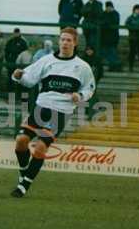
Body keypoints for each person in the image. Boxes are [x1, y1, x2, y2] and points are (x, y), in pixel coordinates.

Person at [11, 28, 95, 198]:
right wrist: (19, 76)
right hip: (41, 107)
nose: (65, 43)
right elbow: (29, 80)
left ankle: (24, 185)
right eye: (63, 39)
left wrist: (80, 95)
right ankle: (24, 172)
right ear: (59, 41)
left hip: (60, 112)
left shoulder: (82, 67)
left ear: (75, 43)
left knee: (40, 147)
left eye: (69, 40)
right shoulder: (46, 60)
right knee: (21, 141)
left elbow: (90, 88)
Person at [100, 1, 121, 71]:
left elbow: (113, 22)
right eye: (107, 7)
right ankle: (112, 66)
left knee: (112, 53)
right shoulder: (103, 14)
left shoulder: (115, 14)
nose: (108, 8)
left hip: (113, 38)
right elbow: (101, 22)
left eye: (109, 7)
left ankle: (115, 67)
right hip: (104, 38)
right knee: (107, 53)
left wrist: (106, 23)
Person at [125, 4, 139, 71]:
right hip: (133, 37)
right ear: (134, 10)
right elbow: (127, 24)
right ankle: (130, 66)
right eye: (137, 9)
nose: (138, 11)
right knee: (132, 52)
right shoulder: (130, 17)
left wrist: (134, 25)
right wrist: (133, 26)